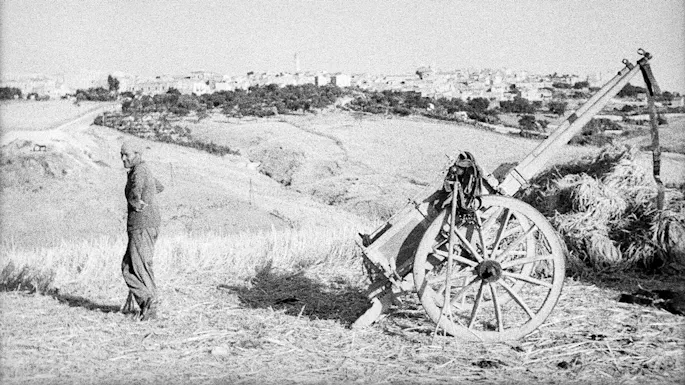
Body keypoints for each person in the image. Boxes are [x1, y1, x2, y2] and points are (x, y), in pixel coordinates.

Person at [120, 139, 164, 321]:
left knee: (138, 267)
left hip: (141, 225)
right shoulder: (142, 169)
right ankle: (148, 303)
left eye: (126, 155)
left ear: (137, 155)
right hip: (145, 224)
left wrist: (136, 201)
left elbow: (135, 192)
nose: (123, 158)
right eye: (121, 155)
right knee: (130, 267)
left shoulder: (139, 170)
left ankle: (150, 305)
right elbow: (159, 187)